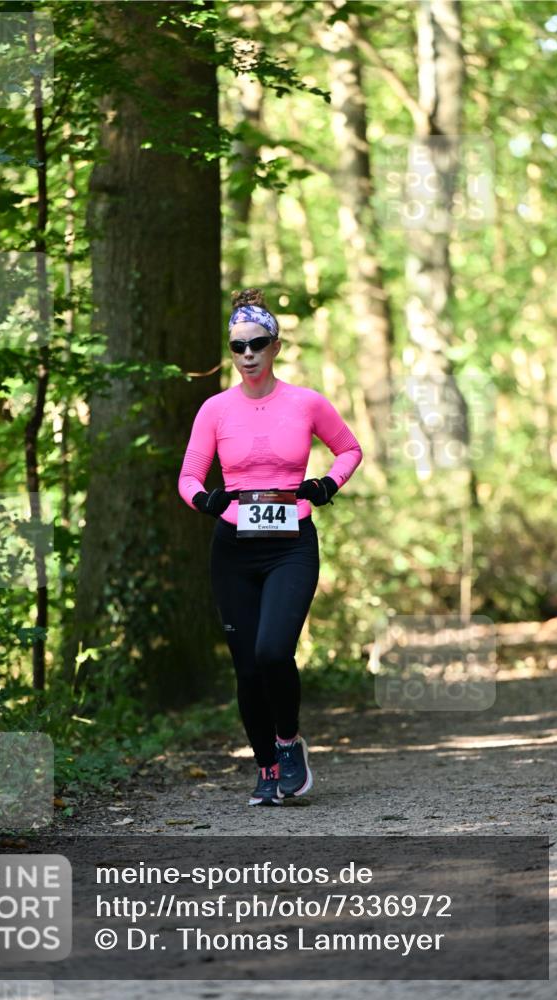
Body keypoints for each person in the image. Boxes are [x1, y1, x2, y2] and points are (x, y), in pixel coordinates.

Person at [177, 288, 363, 806]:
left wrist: (327, 484)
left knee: (273, 651)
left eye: (258, 343)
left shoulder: (306, 402)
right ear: (231, 352)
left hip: (290, 544)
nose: (249, 354)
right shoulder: (214, 410)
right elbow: (188, 478)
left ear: (276, 346)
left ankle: (288, 743)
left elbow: (349, 448)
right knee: (246, 666)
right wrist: (210, 502)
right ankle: (264, 768)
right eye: (239, 347)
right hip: (234, 548)